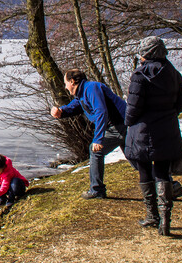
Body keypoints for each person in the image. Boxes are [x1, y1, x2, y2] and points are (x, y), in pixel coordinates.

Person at [124, 36, 182, 236]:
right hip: (166, 129)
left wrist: (128, 122)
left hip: (142, 131)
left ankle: (152, 215)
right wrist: (169, 114)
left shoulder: (140, 74)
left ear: (147, 53)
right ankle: (165, 220)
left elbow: (133, 107)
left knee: (144, 171)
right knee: (163, 172)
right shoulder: (172, 73)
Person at [50, 69, 129, 199]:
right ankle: (168, 185)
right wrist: (61, 111)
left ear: (72, 81)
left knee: (96, 150)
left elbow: (101, 112)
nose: (65, 87)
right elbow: (75, 106)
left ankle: (97, 190)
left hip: (119, 126)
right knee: (136, 160)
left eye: (66, 83)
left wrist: (98, 139)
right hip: (124, 125)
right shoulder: (83, 93)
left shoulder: (91, 88)